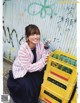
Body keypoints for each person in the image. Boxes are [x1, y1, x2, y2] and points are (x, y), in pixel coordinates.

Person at [7, 24, 51, 103]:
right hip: (23, 69)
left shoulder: (40, 44)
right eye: (32, 34)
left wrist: (46, 48)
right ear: (27, 37)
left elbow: (45, 54)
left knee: (39, 81)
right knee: (27, 87)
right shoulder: (23, 49)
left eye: (37, 34)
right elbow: (29, 68)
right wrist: (43, 61)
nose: (36, 36)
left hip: (34, 68)